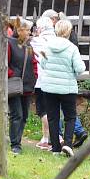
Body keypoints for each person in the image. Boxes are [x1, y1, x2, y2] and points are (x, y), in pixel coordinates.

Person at [38, 19, 85, 157]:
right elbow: (80, 68)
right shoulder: (72, 48)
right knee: (70, 117)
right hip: (67, 88)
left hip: (49, 87)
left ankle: (56, 149)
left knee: (53, 117)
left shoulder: (47, 46)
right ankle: (68, 145)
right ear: (69, 32)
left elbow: (42, 64)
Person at [7, 20, 37, 155]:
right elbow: (4, 64)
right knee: (16, 115)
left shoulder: (28, 44)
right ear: (19, 31)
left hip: (27, 85)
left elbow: (34, 62)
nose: (30, 33)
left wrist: (34, 76)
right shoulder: (9, 43)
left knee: (24, 115)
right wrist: (12, 75)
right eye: (27, 30)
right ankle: (15, 144)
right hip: (14, 85)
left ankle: (17, 140)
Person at [31, 16, 55, 150]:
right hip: (55, 79)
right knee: (53, 109)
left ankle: (50, 138)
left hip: (41, 80)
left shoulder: (36, 41)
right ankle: (51, 138)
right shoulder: (57, 40)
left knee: (43, 110)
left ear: (40, 28)